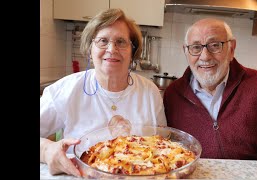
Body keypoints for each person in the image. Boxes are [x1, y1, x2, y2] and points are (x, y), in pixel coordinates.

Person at [40, 8, 167, 177]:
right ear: (89, 49)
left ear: (132, 52)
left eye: (121, 42)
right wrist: (47, 150)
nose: (112, 48)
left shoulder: (150, 92)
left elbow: (163, 146)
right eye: (103, 41)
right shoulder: (65, 90)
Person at [163, 18, 257, 161]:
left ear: (231, 49)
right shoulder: (172, 95)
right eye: (196, 47)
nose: (205, 56)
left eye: (215, 45)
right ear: (186, 51)